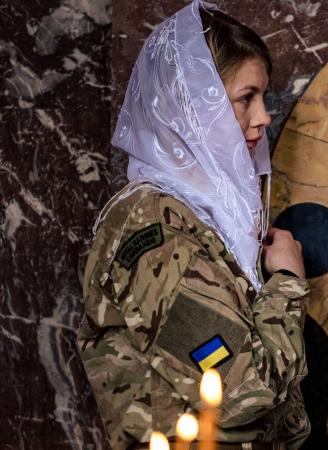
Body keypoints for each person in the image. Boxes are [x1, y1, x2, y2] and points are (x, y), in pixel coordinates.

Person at [77, 1, 310, 449]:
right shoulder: (154, 230)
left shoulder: (206, 216)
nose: (264, 117)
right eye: (246, 98)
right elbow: (242, 393)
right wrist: (286, 281)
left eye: (263, 97)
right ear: (192, 109)